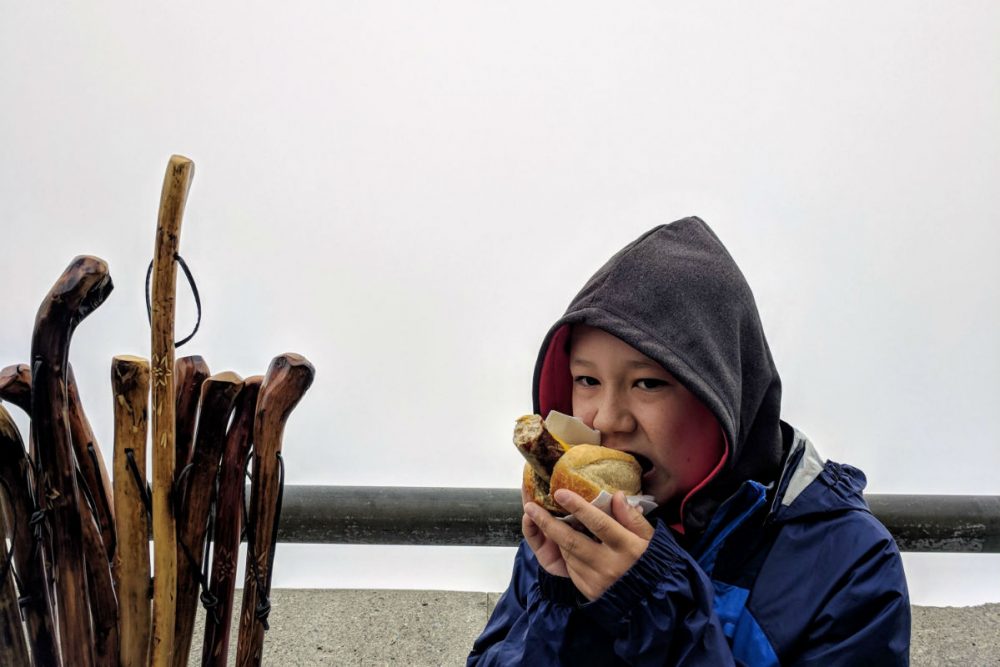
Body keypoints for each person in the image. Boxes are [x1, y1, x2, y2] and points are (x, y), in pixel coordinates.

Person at [468, 217, 910, 665]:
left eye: (647, 383)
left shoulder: (849, 562)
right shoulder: (569, 536)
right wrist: (564, 603)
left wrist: (654, 610)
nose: (608, 419)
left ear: (724, 397)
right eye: (586, 379)